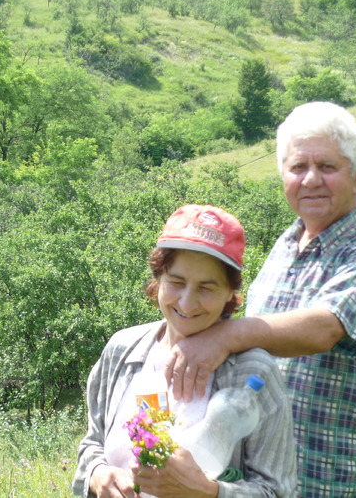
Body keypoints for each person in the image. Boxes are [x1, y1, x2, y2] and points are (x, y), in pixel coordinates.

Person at [165, 102, 356, 496]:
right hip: (264, 478)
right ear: (283, 175)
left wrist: (225, 335)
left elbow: (325, 328)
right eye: (298, 167)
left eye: (327, 167)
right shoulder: (285, 243)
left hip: (335, 477)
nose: (311, 179)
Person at [72, 204, 296, 498]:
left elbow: (277, 491)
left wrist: (207, 491)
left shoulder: (253, 373)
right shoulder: (122, 351)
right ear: (158, 278)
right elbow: (92, 445)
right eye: (177, 282)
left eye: (207, 288)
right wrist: (98, 474)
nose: (187, 303)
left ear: (230, 292)